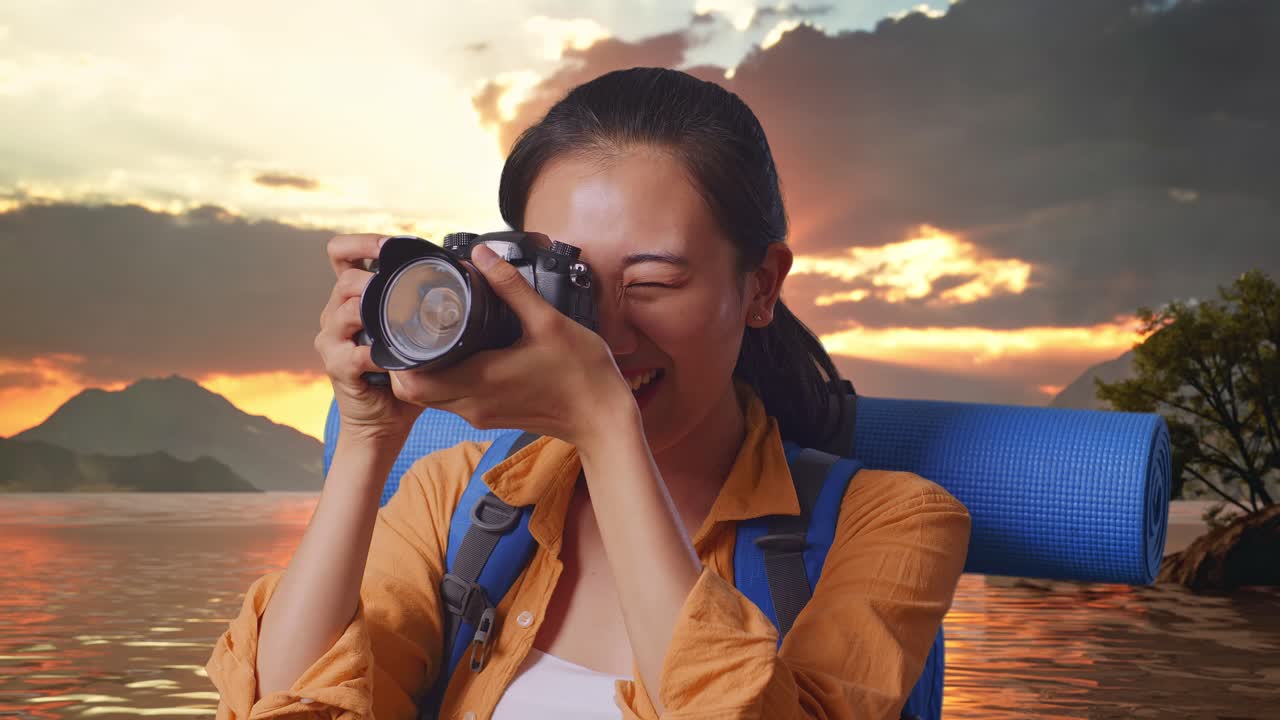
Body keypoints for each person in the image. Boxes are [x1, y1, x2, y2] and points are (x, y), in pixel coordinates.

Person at [204, 66, 971, 720]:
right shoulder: (457, 503)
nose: (600, 331)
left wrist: (608, 428)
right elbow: (295, 704)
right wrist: (368, 435)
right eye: (564, 283)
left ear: (762, 286)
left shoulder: (893, 524)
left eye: (652, 283)